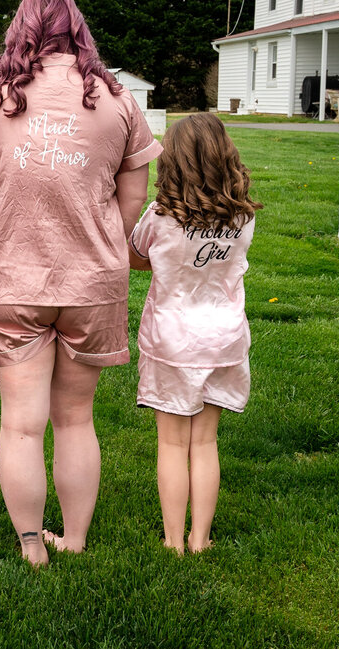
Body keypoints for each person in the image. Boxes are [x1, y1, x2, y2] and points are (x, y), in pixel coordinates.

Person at [0, 0, 160, 566]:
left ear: (20, 30)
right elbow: (134, 195)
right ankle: (73, 537)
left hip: (11, 276)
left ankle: (31, 543)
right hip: (92, 281)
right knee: (76, 420)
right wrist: (102, 238)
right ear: (78, 30)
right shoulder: (117, 98)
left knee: (21, 425)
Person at [128, 112, 260, 554]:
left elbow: (137, 256)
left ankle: (173, 540)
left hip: (173, 341)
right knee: (205, 443)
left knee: (172, 443)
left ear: (174, 163)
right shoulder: (242, 218)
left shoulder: (161, 216)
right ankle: (200, 539)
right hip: (223, 340)